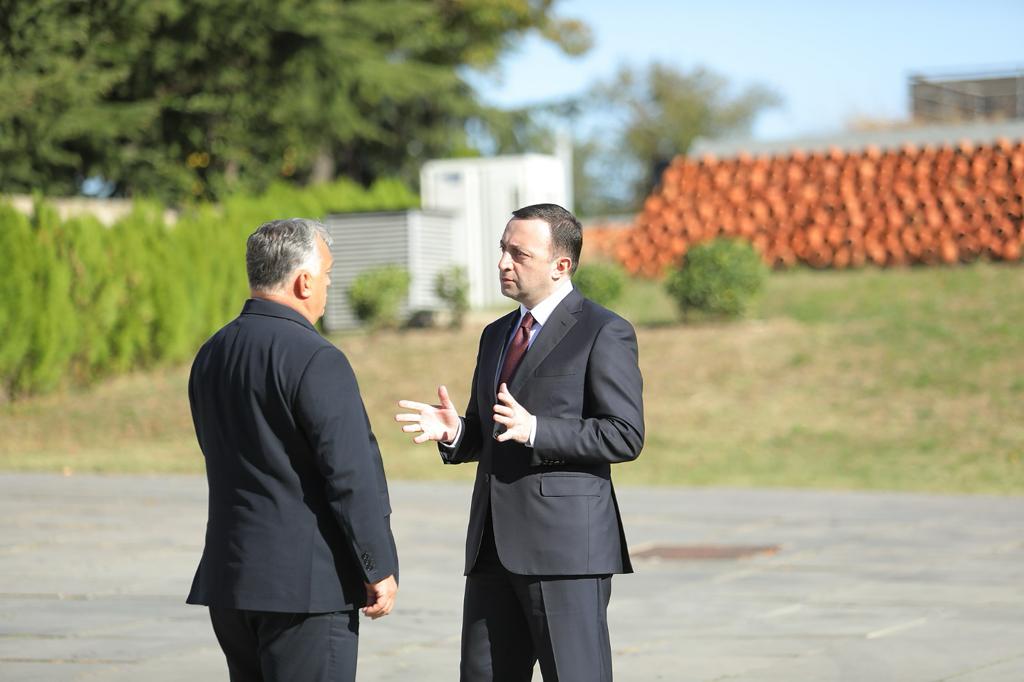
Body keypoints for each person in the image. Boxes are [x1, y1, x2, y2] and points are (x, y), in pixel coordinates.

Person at [396, 203, 644, 682]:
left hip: (565, 553)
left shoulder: (603, 331)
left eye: (519, 254)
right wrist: (456, 433)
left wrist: (538, 430)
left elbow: (624, 433)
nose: (503, 263)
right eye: (502, 250)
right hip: (491, 549)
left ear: (560, 265)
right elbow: (491, 431)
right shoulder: (496, 334)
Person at [187, 218, 398, 682]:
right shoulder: (316, 357)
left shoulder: (212, 352)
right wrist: (377, 565)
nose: (328, 285)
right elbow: (349, 475)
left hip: (233, 580)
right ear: (304, 282)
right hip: (306, 588)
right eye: (327, 275)